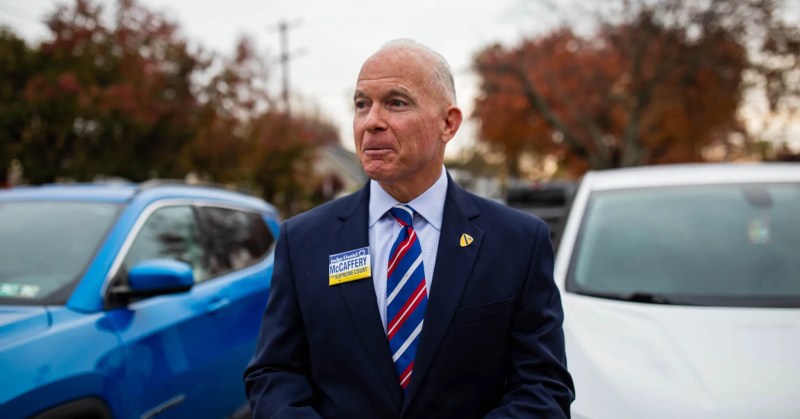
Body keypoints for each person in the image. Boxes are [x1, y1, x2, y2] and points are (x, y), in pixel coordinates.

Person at [244, 39, 575, 418]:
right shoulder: (304, 241)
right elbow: (274, 375)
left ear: (448, 124)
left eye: (396, 103)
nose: (371, 121)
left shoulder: (517, 242)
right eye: (362, 104)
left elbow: (543, 386)